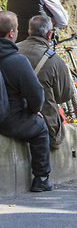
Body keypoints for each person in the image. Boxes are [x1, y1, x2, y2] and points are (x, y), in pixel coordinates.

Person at [0, 11, 52, 192]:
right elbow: (36, 94)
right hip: (8, 121)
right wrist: (32, 111)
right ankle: (41, 178)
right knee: (40, 128)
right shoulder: (17, 61)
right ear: (12, 33)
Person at [17, 16, 73, 149]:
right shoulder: (55, 61)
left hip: (11, 119)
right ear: (49, 34)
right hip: (45, 125)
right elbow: (64, 96)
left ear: (29, 32)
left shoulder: (13, 51)